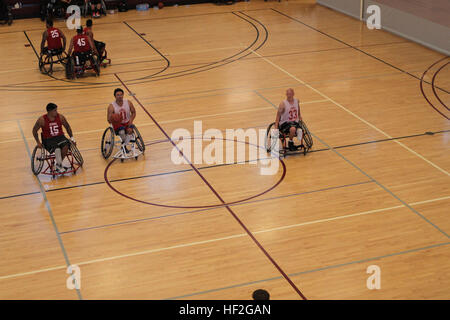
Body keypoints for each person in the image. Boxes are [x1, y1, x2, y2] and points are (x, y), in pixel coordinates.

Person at [32, 103, 76, 173]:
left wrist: (72, 138)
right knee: (57, 149)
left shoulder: (60, 117)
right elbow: (34, 131)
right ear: (49, 111)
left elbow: (67, 127)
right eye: (55, 110)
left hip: (60, 137)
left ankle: (58, 164)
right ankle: (59, 165)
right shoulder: (42, 120)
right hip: (48, 139)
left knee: (66, 146)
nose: (57, 112)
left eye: (56, 110)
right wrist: (38, 142)